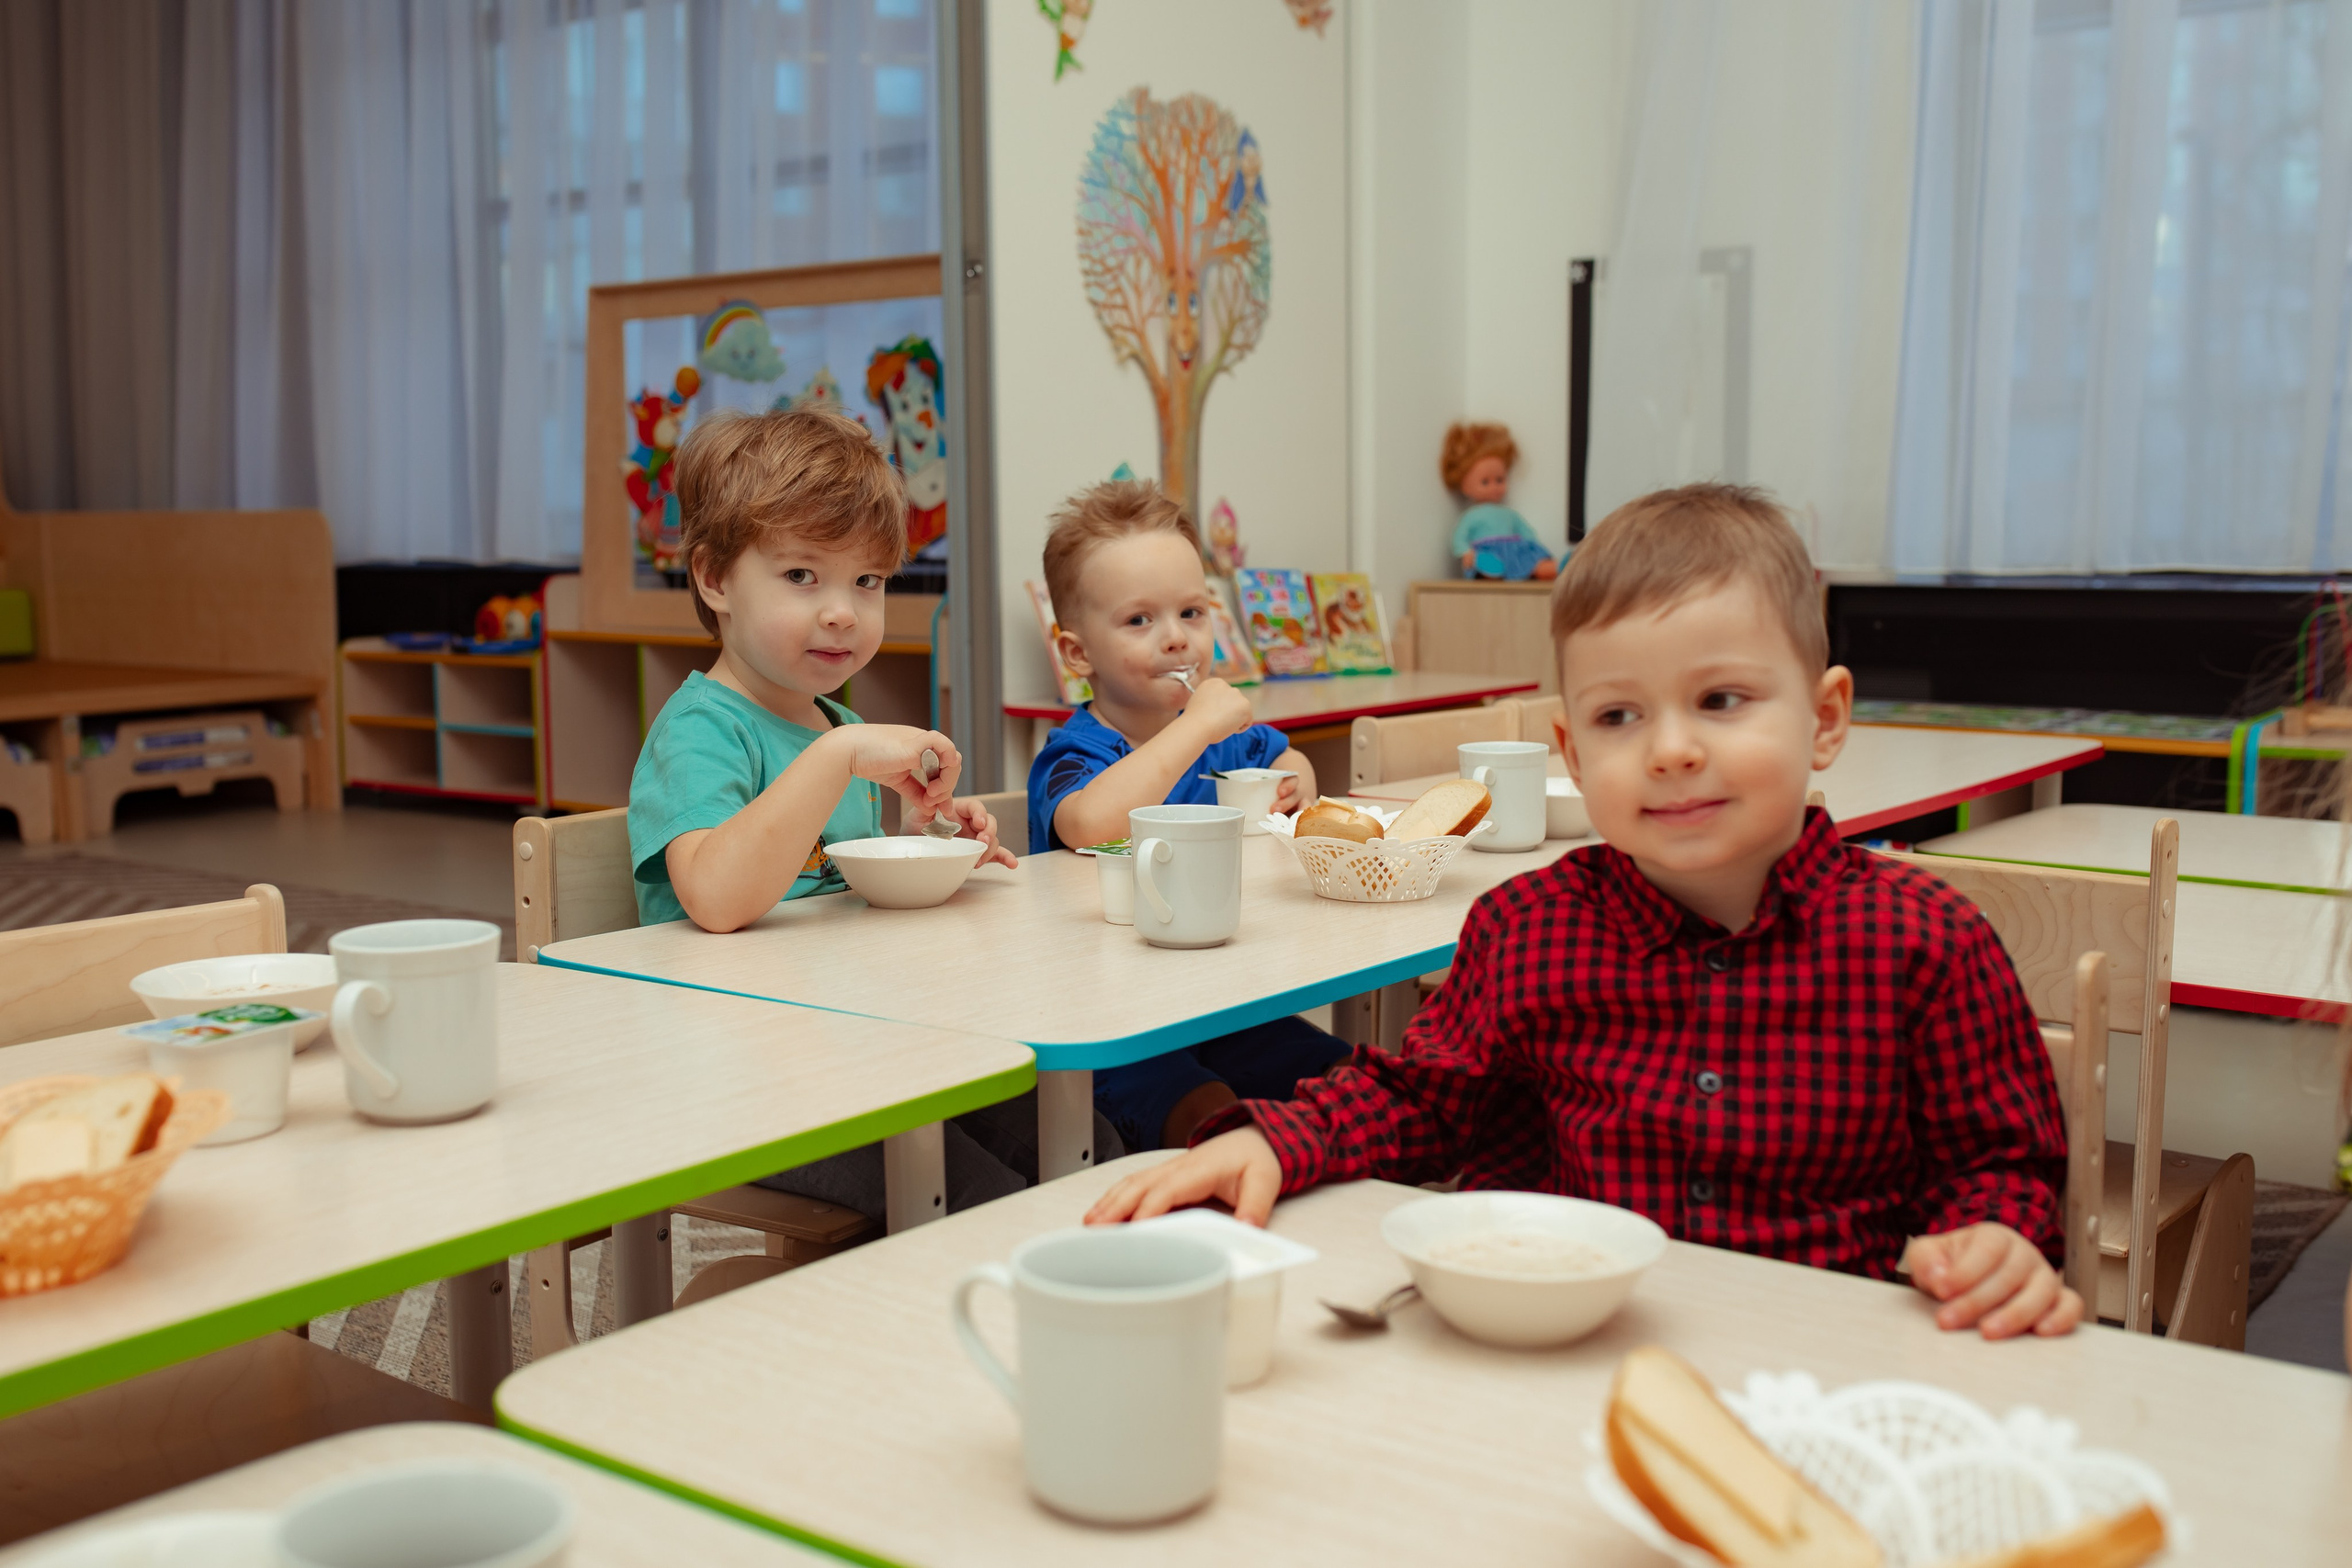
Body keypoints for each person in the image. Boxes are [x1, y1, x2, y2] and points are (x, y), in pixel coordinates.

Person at [1091, 481, 2085, 1341]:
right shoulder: (1526, 930)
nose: (1671, 750)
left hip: (1813, 1365)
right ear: (1571, 752)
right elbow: (1421, 1101)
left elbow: (2002, 1166)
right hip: (1575, 1353)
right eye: (1619, 716)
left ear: (1823, 719)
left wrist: (1996, 1238)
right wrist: (1270, 1139)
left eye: (1722, 701)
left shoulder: (1925, 942)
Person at [628, 406, 1060, 1216]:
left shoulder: (837, 726)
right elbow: (715, 897)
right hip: (736, 1077)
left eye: (867, 581)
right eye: (802, 576)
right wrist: (837, 759)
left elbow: (832, 888)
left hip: (846, 1042)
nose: (843, 611)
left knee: (1072, 1131)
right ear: (714, 579)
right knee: (980, 1200)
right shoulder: (702, 730)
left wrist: (926, 843)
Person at [1027, 479, 1351, 1155]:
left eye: (1192, 613)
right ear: (1078, 653)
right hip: (1113, 1024)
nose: (1176, 639)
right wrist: (1196, 726)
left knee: (1347, 1080)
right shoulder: (1076, 753)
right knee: (1209, 1113)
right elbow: (1089, 825)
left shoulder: (1226, 741)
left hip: (1228, 1005)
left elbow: (1285, 757)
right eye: (1139, 621)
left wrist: (1296, 785)